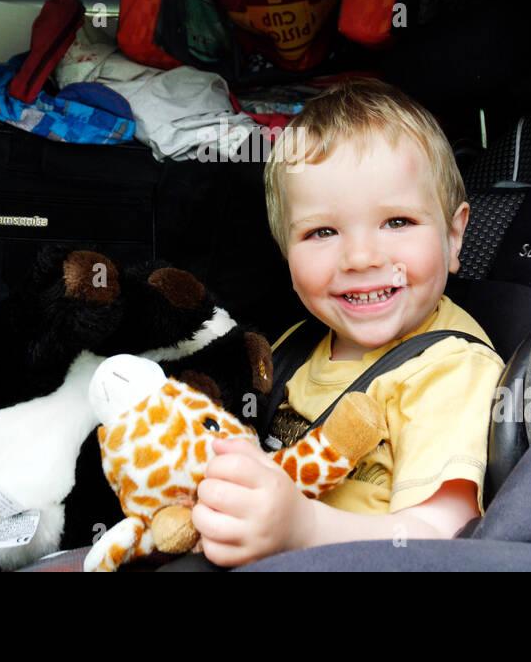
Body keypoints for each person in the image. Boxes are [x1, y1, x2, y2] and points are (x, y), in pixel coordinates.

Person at [190, 77, 504, 567]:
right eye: (322, 231)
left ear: (454, 235)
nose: (360, 257)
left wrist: (302, 526)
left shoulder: (448, 370)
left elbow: (444, 536)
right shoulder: (297, 344)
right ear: (285, 252)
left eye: (397, 222)